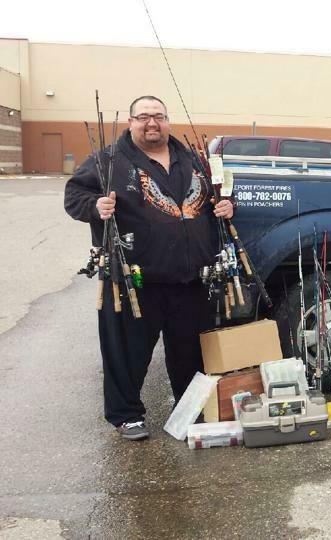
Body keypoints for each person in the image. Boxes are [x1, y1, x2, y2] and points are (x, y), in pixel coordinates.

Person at [64, 96, 234, 440]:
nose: (151, 123)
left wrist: (229, 207)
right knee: (127, 351)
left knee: (188, 352)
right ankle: (127, 415)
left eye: (158, 116)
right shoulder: (107, 159)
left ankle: (186, 410)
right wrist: (95, 205)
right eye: (143, 117)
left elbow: (220, 199)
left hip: (191, 278)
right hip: (134, 278)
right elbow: (73, 196)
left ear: (168, 121)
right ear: (130, 122)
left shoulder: (194, 159)